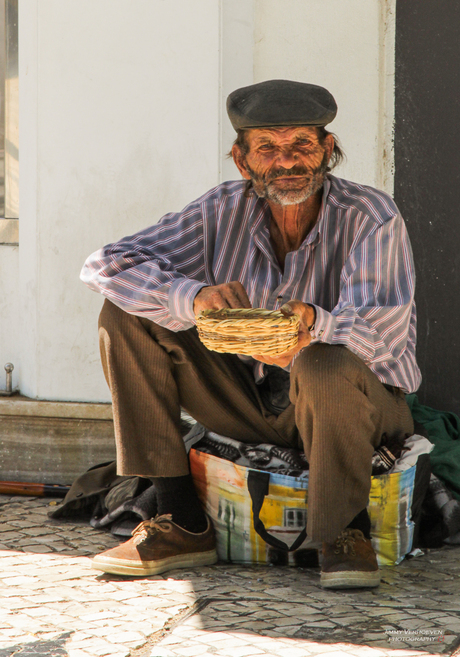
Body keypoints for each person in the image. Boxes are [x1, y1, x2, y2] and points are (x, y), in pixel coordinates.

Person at [81, 79, 420, 588]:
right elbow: (106, 264)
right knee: (126, 315)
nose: (287, 162)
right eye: (268, 148)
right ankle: (180, 520)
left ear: (327, 150)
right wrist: (192, 298)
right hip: (252, 401)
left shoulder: (371, 216)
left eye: (302, 145)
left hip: (358, 406)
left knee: (322, 361)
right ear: (243, 161)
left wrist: (312, 323)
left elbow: (383, 336)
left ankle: (344, 533)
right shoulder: (222, 209)